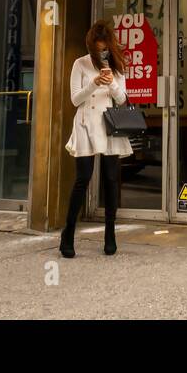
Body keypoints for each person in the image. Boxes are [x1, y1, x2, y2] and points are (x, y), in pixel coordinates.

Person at [60, 20, 132, 258]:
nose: (102, 52)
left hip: (109, 125)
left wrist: (111, 82)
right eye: (98, 49)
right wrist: (93, 83)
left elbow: (122, 100)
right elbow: (74, 99)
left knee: (111, 180)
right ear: (91, 47)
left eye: (105, 48)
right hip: (84, 125)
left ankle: (110, 234)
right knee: (83, 178)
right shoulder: (80, 64)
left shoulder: (117, 66)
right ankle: (68, 234)